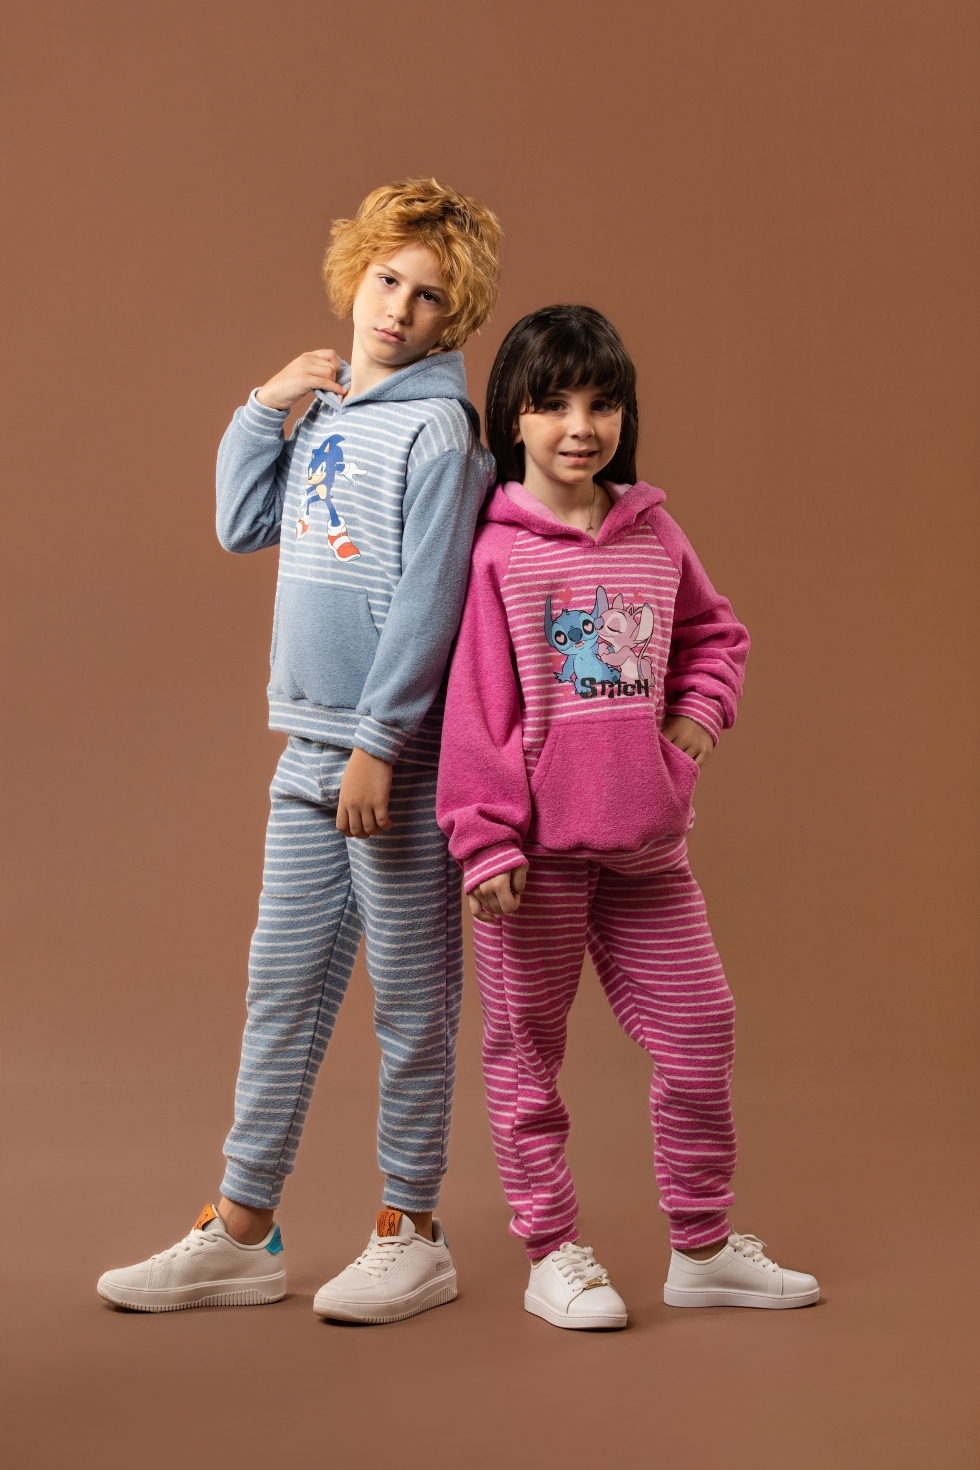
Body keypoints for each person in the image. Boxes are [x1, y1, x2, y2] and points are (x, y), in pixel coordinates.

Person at [97, 179, 501, 1322]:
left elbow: (428, 603)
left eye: (427, 297)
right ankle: (241, 1231)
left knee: (409, 1007)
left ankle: (410, 1230)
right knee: (278, 991)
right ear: (353, 275)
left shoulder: (439, 433)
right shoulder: (326, 412)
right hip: (305, 755)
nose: (398, 310)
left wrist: (380, 743)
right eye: (386, 280)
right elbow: (241, 524)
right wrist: (260, 407)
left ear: (454, 318)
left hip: (394, 765)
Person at [436, 304, 820, 1330]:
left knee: (701, 1029)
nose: (580, 426)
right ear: (512, 417)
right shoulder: (496, 553)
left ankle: (701, 1249)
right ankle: (551, 1253)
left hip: (647, 849)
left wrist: (692, 723)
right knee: (527, 1058)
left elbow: (715, 636)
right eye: (553, 404)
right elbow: (474, 709)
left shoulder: (654, 532)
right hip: (534, 859)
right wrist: (483, 840)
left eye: (601, 404)